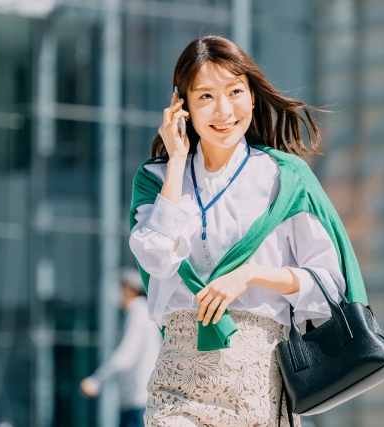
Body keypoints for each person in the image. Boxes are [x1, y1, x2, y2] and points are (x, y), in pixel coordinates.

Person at [129, 35, 367, 427]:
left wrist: (251, 275)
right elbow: (155, 258)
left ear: (253, 97)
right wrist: (175, 162)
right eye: (205, 96)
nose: (223, 110)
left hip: (257, 381)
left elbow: (328, 287)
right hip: (177, 381)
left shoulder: (283, 178)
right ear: (182, 105)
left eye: (235, 91)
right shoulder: (156, 179)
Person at [80, 268, 162, 427]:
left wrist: (95, 381)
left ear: (130, 289)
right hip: (140, 399)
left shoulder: (138, 313)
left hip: (138, 401)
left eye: (119, 287)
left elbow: (125, 357)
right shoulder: (143, 312)